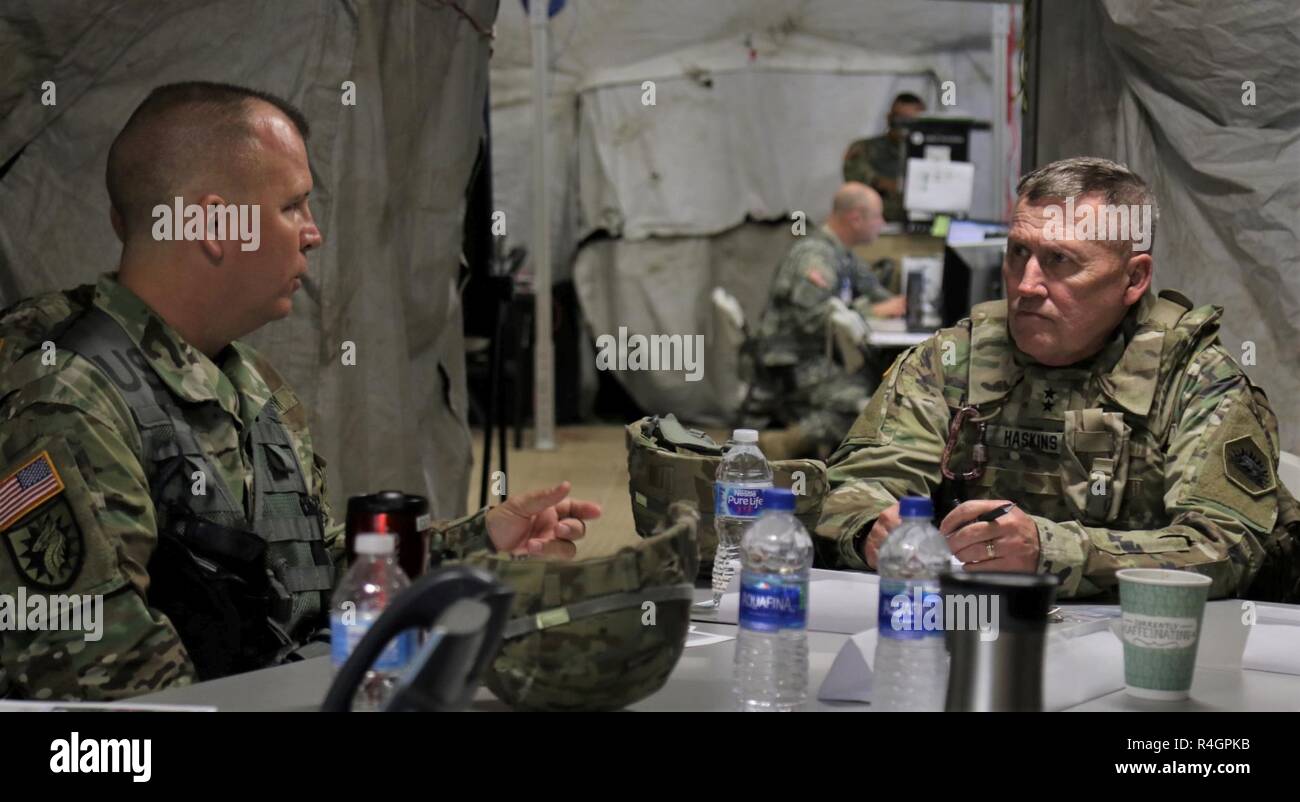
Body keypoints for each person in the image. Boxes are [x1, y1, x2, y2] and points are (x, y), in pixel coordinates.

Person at [0, 82, 600, 701]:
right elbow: (111, 688)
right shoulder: (68, 406)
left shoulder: (248, 381)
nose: (312, 234)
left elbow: (296, 574)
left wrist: (477, 542)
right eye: (292, 206)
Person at [816, 156, 1298, 602]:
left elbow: (1225, 546)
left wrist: (1052, 552)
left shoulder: (1195, 381)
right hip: (972, 631)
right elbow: (852, 488)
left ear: (1133, 279)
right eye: (1018, 253)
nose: (1026, 284)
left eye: (1059, 261)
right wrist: (870, 529)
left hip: (1145, 651)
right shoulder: (951, 361)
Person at [748, 183, 905, 461]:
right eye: (877, 216)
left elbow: (876, 294)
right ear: (856, 218)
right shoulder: (816, 255)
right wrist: (872, 311)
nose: (882, 223)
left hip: (817, 355)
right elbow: (811, 319)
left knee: (885, 383)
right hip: (790, 362)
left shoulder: (842, 253)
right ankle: (786, 443)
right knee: (868, 400)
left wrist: (892, 304)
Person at [842, 92, 926, 223]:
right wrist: (884, 183)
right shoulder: (865, 148)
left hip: (920, 230)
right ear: (889, 118)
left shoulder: (929, 155)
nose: (904, 126)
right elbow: (857, 183)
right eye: (900, 119)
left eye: (911, 121)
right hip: (875, 228)